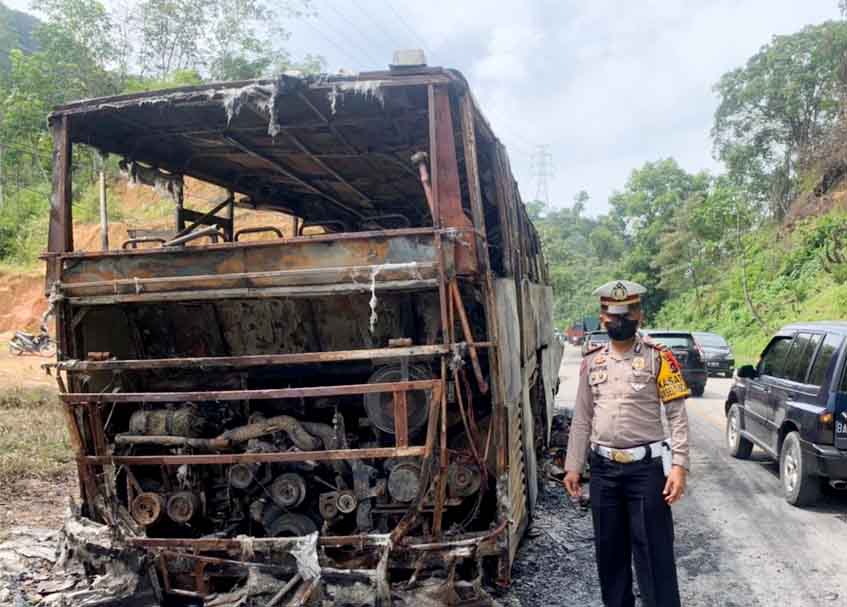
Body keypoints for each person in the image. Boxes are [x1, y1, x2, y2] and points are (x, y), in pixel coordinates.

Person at [563, 280, 689, 607]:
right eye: (612, 314)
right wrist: (573, 466)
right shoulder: (592, 361)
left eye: (626, 314)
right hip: (603, 471)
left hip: (647, 472)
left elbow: (676, 414)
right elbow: (582, 417)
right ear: (602, 317)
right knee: (610, 557)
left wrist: (679, 466)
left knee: (654, 556)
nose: (619, 321)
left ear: (639, 315)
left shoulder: (659, 358)